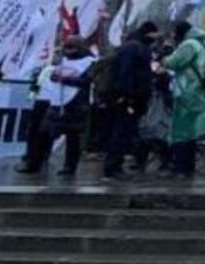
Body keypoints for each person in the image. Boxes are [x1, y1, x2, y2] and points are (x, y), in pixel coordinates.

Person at [19, 40, 96, 177]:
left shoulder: (90, 62)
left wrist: (65, 79)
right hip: (56, 102)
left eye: (71, 49)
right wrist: (56, 77)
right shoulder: (63, 60)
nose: (67, 53)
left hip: (76, 104)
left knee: (73, 137)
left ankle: (69, 167)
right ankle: (35, 163)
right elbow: (53, 74)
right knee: (43, 132)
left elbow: (86, 81)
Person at [162, 23, 205, 176]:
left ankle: (181, 168)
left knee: (181, 133)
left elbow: (173, 62)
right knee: (191, 134)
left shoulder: (189, 44)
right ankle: (188, 168)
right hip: (202, 93)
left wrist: (166, 54)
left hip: (188, 93)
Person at [103, 23, 159, 179]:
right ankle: (113, 167)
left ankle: (117, 164)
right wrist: (126, 96)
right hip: (129, 98)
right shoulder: (134, 48)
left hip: (133, 97)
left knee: (126, 132)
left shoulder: (135, 47)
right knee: (121, 132)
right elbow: (125, 73)